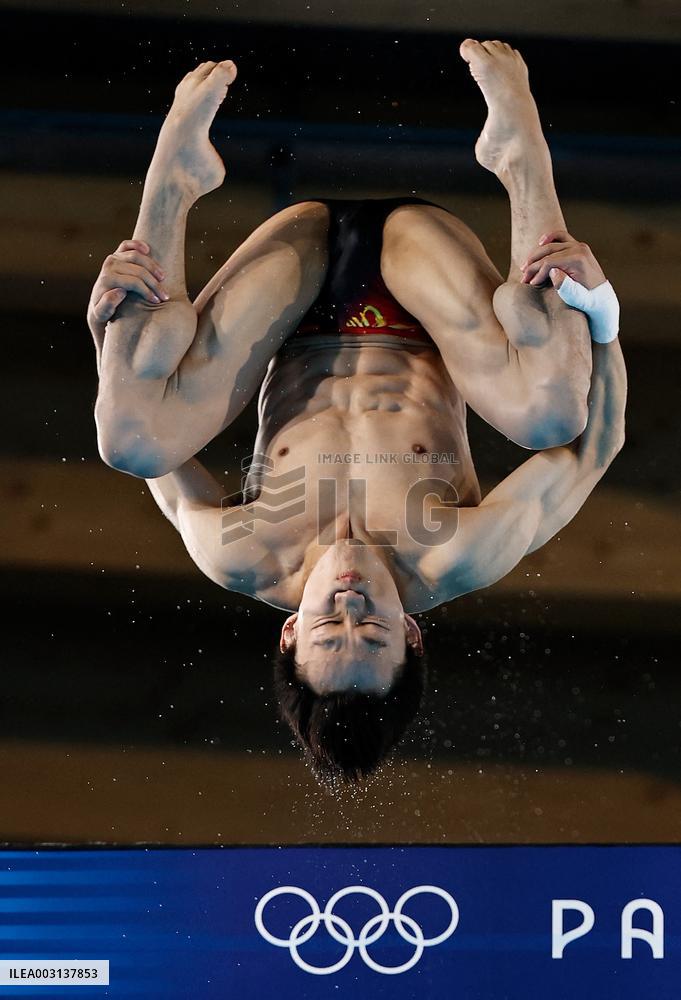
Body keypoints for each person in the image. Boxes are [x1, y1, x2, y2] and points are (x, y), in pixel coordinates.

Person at [87, 40, 626, 782]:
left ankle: (171, 185)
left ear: (287, 636)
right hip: (419, 287)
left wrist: (104, 337)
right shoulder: (456, 554)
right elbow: (591, 451)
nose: (348, 604)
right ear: (411, 633)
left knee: (129, 441)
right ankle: (518, 153)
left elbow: (152, 432)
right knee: (551, 417)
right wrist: (599, 313)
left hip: (290, 291)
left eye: (326, 627)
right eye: (371, 630)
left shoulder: (240, 553)